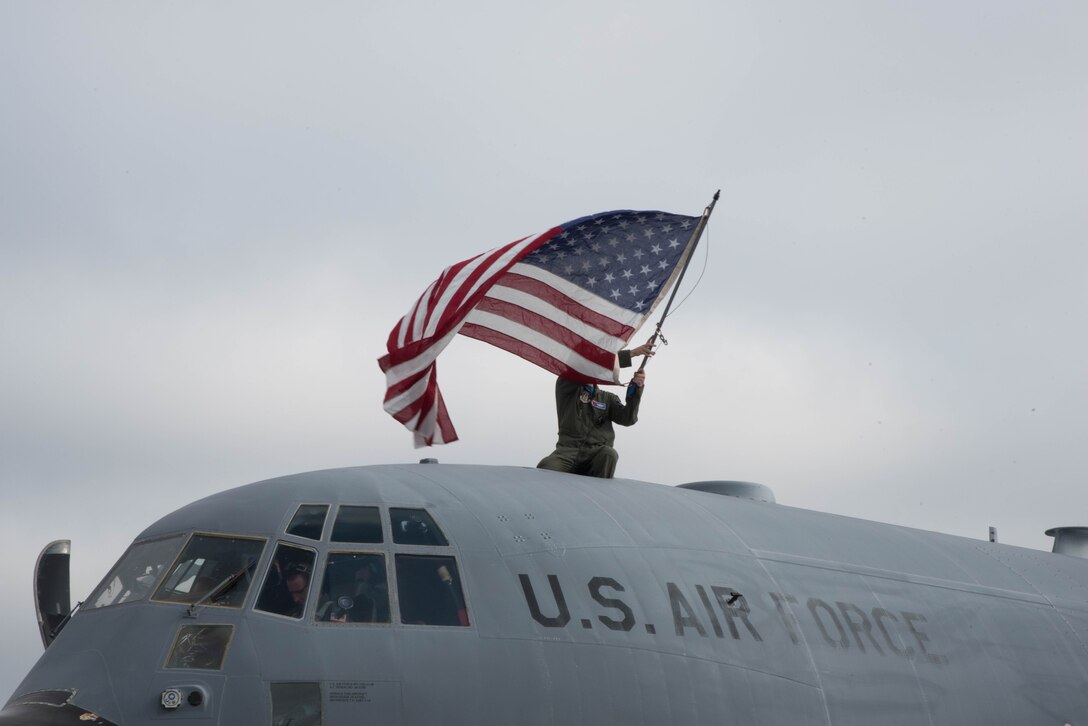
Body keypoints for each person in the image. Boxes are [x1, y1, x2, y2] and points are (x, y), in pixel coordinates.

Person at [536, 341, 653, 479]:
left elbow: (628, 419)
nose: (591, 363)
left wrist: (636, 389)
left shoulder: (607, 398)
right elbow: (586, 368)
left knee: (609, 454)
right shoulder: (566, 384)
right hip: (567, 452)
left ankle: (596, 495)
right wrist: (631, 354)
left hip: (596, 453)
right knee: (547, 466)